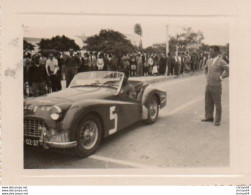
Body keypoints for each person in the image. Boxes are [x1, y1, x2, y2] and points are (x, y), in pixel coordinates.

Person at [201, 46, 229, 126]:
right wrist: (207, 76)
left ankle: (217, 120)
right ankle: (209, 117)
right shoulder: (209, 61)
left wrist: (221, 77)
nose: (210, 53)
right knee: (208, 101)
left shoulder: (222, 61)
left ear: (216, 52)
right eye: (209, 51)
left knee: (217, 103)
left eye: (211, 51)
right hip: (208, 84)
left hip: (216, 85)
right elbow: (206, 69)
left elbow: (228, 70)